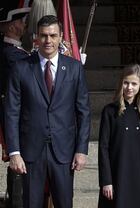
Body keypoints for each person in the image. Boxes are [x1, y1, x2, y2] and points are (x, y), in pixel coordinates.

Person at [4, 15, 90, 208]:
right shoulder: (21, 68)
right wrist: (14, 152)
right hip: (30, 152)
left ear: (60, 37)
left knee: (64, 203)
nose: (48, 41)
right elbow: (11, 112)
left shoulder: (75, 69)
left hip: (64, 151)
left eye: (53, 35)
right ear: (36, 37)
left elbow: (83, 111)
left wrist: (81, 150)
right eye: (43, 36)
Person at [98, 64, 140, 208]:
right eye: (126, 83)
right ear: (121, 83)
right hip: (118, 176)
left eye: (134, 83)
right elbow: (103, 148)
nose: (129, 87)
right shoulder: (110, 112)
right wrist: (106, 181)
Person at [0, 1, 31, 207]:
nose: (24, 24)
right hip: (15, 117)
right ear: (12, 26)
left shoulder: (16, 52)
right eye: (21, 21)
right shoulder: (10, 54)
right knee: (18, 162)